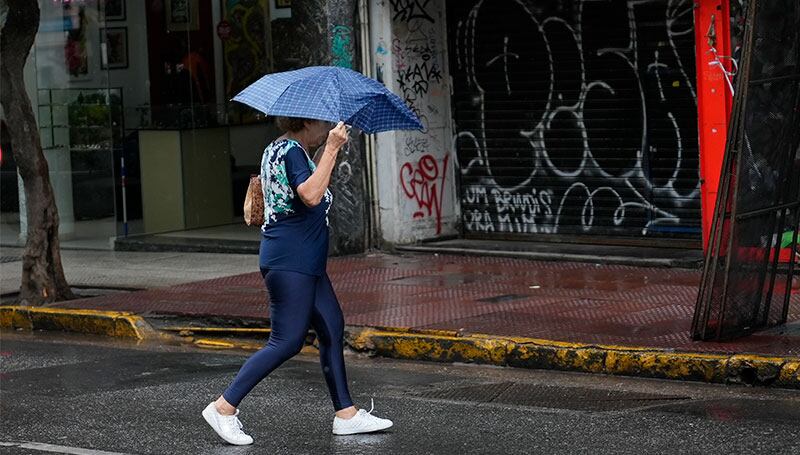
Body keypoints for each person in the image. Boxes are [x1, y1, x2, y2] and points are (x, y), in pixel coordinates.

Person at [202, 118, 393, 445]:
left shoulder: (282, 148)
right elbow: (311, 194)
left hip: (304, 262)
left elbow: (307, 180)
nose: (328, 127)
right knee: (286, 341)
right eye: (323, 123)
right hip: (292, 262)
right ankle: (224, 407)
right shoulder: (291, 152)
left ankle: (345, 414)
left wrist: (327, 151)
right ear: (305, 121)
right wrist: (333, 148)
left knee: (332, 327)